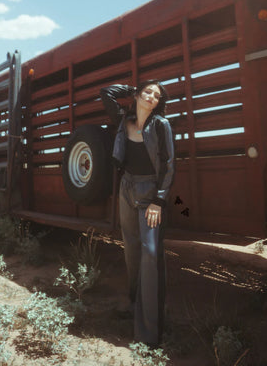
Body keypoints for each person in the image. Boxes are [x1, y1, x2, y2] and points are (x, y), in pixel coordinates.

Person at [100, 80, 174, 347]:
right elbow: (106, 92)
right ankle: (135, 306)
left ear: (159, 103)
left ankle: (149, 332)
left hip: (149, 193)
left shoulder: (161, 125)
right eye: (148, 91)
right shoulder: (124, 120)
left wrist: (160, 201)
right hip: (126, 188)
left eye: (156, 95)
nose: (152, 96)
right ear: (138, 94)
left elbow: (168, 164)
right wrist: (133, 91)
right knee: (131, 250)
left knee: (151, 254)